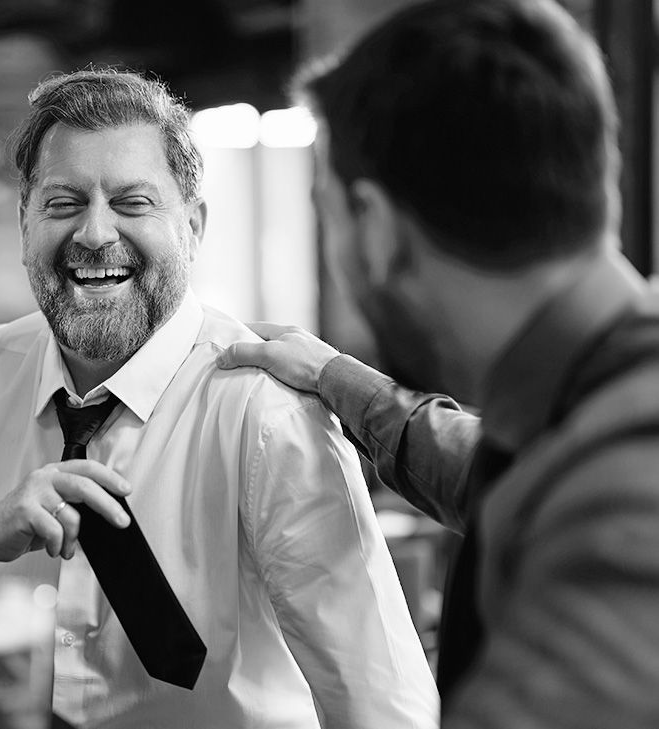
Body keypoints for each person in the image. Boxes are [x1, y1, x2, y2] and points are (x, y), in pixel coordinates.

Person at [0, 69, 437, 728]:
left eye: (132, 202)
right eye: (62, 202)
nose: (94, 234)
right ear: (24, 225)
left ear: (192, 226)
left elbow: (385, 705)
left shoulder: (264, 410)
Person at [218, 1, 659, 726]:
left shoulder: (622, 509)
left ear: (379, 229)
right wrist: (333, 375)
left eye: (322, 208)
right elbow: (484, 464)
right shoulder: (591, 399)